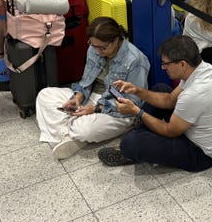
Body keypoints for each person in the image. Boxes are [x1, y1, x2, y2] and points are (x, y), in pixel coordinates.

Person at [97, 35, 212, 171]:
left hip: (201, 153)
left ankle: (135, 146)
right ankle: (143, 136)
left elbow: (170, 131)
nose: (163, 68)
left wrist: (137, 112)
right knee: (160, 89)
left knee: (130, 144)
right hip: (195, 130)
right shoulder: (202, 69)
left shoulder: (195, 93)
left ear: (182, 64)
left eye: (166, 64)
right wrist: (137, 90)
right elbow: (169, 100)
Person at [35, 17, 150, 160]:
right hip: (92, 98)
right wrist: (77, 97)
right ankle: (70, 135)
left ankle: (71, 131)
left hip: (118, 109)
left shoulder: (135, 61)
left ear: (116, 40)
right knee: (44, 95)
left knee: (85, 130)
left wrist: (95, 109)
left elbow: (133, 103)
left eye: (102, 47)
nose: (98, 51)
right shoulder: (94, 49)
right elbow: (86, 81)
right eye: (93, 45)